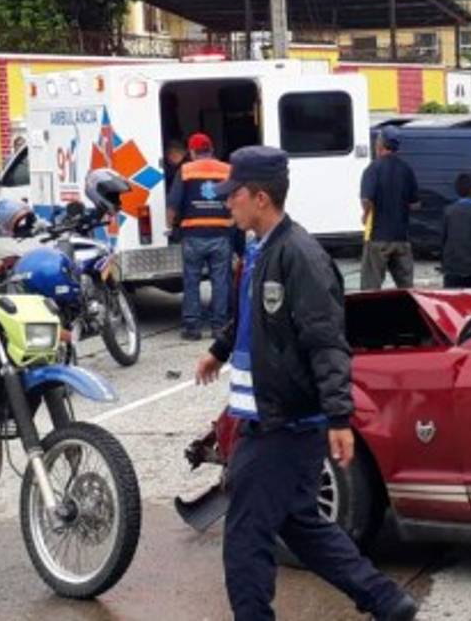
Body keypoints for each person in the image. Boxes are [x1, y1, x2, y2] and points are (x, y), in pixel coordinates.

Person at [193, 146, 418, 621]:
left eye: (232, 194)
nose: (225, 202)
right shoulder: (260, 250)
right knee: (301, 525)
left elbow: (327, 341)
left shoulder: (300, 256)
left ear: (258, 198)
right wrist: (218, 350)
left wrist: (338, 416)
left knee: (245, 537)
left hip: (285, 423)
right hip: (270, 418)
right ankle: (385, 600)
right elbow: (249, 317)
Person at [167, 132, 233, 341]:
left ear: (193, 152)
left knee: (191, 281)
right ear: (211, 149)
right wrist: (231, 223)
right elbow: (237, 200)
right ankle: (219, 327)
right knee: (221, 281)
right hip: (221, 235)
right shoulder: (227, 170)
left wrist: (171, 226)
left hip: (193, 235)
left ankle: (192, 328)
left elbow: (173, 205)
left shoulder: (186, 170)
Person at [358, 127, 419, 291]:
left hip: (377, 237)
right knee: (407, 289)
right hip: (402, 238)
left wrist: (365, 214)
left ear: (381, 143)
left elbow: (366, 199)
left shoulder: (373, 169)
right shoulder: (407, 170)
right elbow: (415, 203)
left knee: (370, 288)